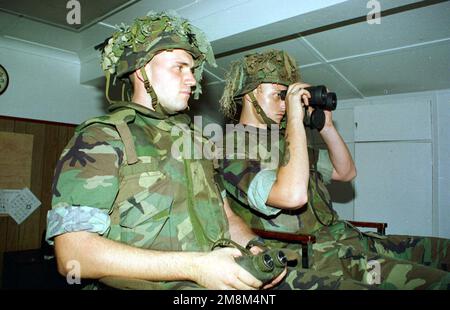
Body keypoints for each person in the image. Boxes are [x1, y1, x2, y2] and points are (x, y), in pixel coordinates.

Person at [45, 12, 369, 290]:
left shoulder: (197, 142)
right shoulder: (103, 138)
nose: (192, 79)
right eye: (179, 67)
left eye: (193, 70)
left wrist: (253, 247)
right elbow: (73, 254)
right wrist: (197, 267)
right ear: (141, 70)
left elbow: (226, 216)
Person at [218, 49, 450, 289]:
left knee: (442, 251)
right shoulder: (230, 147)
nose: (285, 106)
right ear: (250, 94)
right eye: (278, 95)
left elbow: (346, 172)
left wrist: (327, 127)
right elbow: (291, 196)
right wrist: (296, 122)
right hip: (314, 254)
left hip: (346, 239)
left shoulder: (286, 140)